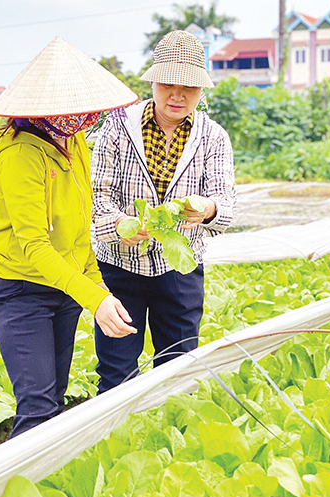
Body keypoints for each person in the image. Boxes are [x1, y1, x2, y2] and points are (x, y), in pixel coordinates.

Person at [0, 37, 138, 437]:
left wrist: (97, 287)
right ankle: (15, 475)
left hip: (64, 289)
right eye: (73, 109)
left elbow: (79, 232)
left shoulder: (73, 141)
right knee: (37, 408)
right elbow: (35, 245)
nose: (84, 118)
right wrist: (95, 300)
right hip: (21, 292)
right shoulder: (20, 154)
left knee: (54, 400)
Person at [91, 30, 236, 394]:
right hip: (120, 267)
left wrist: (207, 209)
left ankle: (169, 428)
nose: (177, 95)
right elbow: (97, 199)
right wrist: (121, 225)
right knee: (116, 371)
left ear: (201, 91)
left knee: (179, 369)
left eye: (188, 87)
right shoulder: (117, 127)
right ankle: (117, 427)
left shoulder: (213, 137)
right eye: (168, 84)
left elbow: (226, 202)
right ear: (153, 82)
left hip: (179, 269)